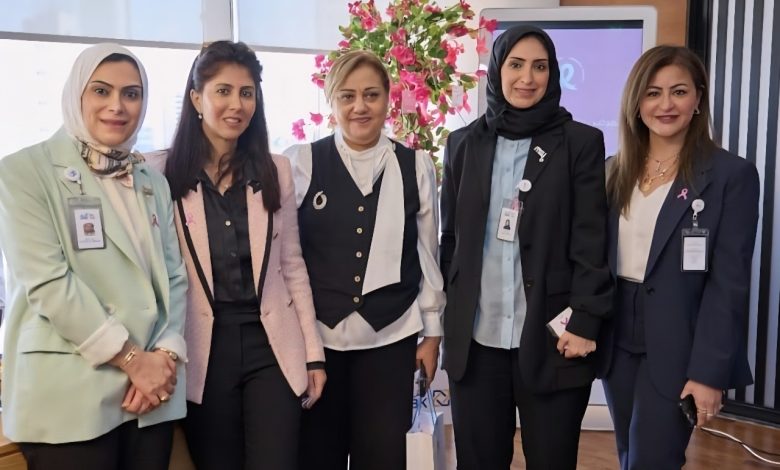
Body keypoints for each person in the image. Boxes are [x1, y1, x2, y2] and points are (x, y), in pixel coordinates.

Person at [0, 43, 187, 470]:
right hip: (70, 398)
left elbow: (174, 278)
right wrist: (133, 360)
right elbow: (50, 284)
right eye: (101, 91)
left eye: (131, 94)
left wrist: (165, 356)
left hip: (149, 397)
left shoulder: (151, 181)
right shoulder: (24, 172)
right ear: (76, 95)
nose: (117, 106)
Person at [440, 25, 613, 469]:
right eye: (516, 65)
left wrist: (586, 320)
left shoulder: (580, 143)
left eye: (540, 66)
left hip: (553, 338)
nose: (527, 78)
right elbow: (451, 240)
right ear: (497, 70)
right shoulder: (462, 144)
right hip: (476, 345)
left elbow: (592, 240)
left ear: (553, 74)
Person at [160, 40, 326, 470]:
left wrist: (313, 353)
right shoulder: (162, 174)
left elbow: (292, 265)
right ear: (196, 98)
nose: (236, 104)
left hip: (270, 343)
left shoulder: (275, 169)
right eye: (223, 91)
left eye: (247, 92)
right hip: (203, 346)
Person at [599, 45, 759, 470]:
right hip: (618, 336)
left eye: (679, 91)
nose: (665, 104)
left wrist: (708, 372)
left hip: (680, 342)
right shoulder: (613, 171)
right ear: (636, 103)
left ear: (698, 99)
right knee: (628, 455)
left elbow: (729, 284)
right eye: (653, 93)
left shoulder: (730, 176)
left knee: (652, 460)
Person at [284, 49, 445, 470]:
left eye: (371, 95)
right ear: (332, 100)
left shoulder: (416, 166)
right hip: (319, 341)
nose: (360, 106)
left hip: (391, 337)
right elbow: (285, 256)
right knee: (317, 456)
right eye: (348, 96)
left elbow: (427, 255)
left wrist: (432, 334)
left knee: (383, 457)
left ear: (388, 99)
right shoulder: (301, 162)